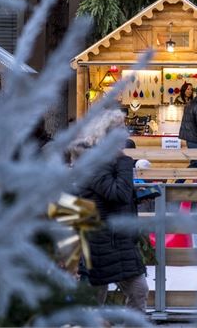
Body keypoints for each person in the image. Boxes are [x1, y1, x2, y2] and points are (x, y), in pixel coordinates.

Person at [70, 110, 148, 313]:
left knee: (139, 291)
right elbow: (118, 193)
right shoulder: (94, 163)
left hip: (118, 241)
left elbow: (115, 195)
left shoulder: (108, 162)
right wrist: (125, 161)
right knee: (95, 302)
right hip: (99, 243)